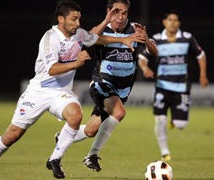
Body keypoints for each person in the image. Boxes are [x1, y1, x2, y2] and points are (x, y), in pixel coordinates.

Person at [0, 1, 146, 180]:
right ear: (61, 19)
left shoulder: (78, 34)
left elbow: (96, 38)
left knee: (75, 115)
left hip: (61, 93)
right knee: (13, 135)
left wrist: (120, 36)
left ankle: (55, 159)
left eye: (78, 19)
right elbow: (52, 69)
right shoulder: (50, 38)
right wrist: (77, 63)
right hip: (39, 91)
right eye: (73, 19)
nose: (77, 23)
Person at [55, 0, 158, 172]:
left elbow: (154, 52)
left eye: (124, 13)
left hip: (122, 89)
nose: (120, 17)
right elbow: (86, 41)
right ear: (109, 11)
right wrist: (105, 21)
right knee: (119, 112)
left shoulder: (135, 29)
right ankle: (92, 156)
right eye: (116, 12)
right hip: (102, 82)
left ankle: (62, 137)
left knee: (90, 131)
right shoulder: (103, 29)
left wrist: (146, 39)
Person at [138, 9, 209, 161]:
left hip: (181, 86)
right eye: (169, 20)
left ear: (179, 23)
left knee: (181, 124)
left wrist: (203, 74)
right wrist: (145, 68)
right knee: (160, 119)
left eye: (175, 20)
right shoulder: (156, 39)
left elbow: (201, 55)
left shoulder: (187, 38)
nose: (172, 23)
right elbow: (142, 57)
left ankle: (174, 120)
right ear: (164, 22)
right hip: (162, 85)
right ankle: (165, 152)